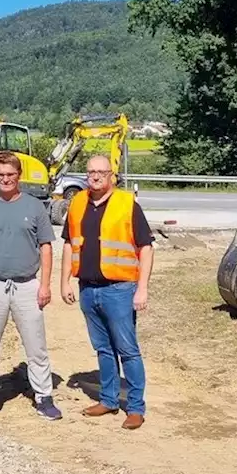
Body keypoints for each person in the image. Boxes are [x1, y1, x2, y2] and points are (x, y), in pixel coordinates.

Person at [59, 154, 155, 430]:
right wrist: (64, 281)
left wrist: (142, 289)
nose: (96, 176)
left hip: (120, 290)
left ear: (112, 174)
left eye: (102, 172)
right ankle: (109, 400)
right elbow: (69, 244)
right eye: (91, 172)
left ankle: (135, 408)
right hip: (88, 289)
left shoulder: (127, 204)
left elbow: (145, 248)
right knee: (103, 349)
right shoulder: (77, 203)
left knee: (127, 350)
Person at [0, 151, 61, 424]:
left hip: (27, 285)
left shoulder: (34, 207)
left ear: (19, 175)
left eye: (10, 174)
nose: (6, 179)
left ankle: (44, 396)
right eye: (0, 175)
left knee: (36, 346)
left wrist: (44, 285)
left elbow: (46, 248)